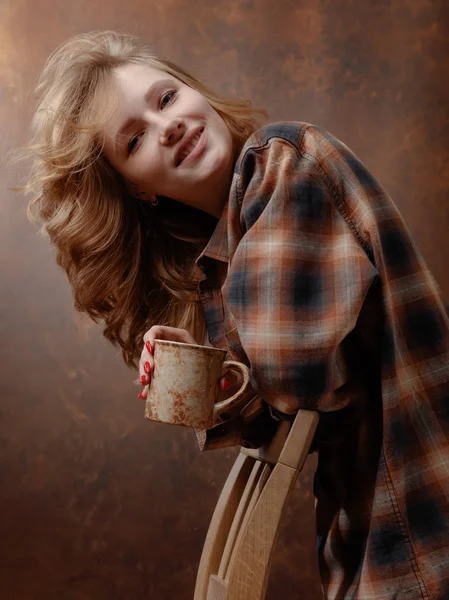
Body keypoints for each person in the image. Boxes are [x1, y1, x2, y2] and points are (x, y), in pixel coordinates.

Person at [22, 30, 449, 599]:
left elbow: (298, 380)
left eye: (167, 98)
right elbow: (273, 421)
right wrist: (202, 376)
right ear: (138, 190)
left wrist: (236, 372)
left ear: (195, 93)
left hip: (421, 525)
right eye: (134, 140)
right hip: (367, 540)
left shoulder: (282, 165)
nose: (166, 125)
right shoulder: (226, 248)